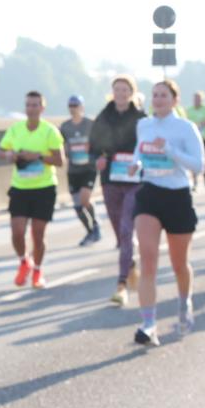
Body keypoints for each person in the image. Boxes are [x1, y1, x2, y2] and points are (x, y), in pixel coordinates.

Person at [130, 80, 205, 346]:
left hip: (177, 196)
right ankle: (148, 324)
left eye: (164, 95)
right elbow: (140, 150)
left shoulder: (185, 128)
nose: (158, 99)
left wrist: (170, 151)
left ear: (175, 99)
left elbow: (199, 165)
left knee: (178, 264)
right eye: (155, 95)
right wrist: (134, 164)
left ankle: (185, 304)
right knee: (148, 258)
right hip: (150, 192)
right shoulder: (144, 125)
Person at [89, 75, 147, 307]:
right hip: (111, 179)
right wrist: (98, 160)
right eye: (117, 89)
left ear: (132, 93)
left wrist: (140, 161)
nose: (120, 94)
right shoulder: (103, 118)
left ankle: (121, 284)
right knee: (118, 230)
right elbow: (92, 148)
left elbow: (147, 146)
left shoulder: (142, 119)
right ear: (112, 92)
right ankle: (130, 264)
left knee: (126, 229)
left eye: (124, 90)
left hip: (134, 180)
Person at [0, 91, 65, 289]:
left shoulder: (50, 131)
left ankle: (38, 270)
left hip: (44, 188)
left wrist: (38, 156)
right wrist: (11, 154)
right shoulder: (16, 129)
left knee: (38, 234)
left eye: (35, 105)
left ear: (42, 108)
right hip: (20, 187)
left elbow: (60, 161)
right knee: (17, 232)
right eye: (28, 105)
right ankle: (24, 261)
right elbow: (0, 151)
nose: (31, 109)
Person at [60, 94, 101, 246]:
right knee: (77, 205)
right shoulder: (65, 127)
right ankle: (90, 231)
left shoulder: (90, 124)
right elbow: (61, 145)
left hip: (89, 167)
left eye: (76, 105)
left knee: (85, 199)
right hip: (73, 169)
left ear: (82, 107)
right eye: (70, 106)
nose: (73, 109)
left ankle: (95, 224)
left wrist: (92, 149)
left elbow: (100, 141)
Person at [185, 91, 205, 188]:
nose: (197, 101)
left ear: (202, 99)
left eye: (199, 99)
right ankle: (194, 181)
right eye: (195, 99)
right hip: (193, 138)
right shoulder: (188, 110)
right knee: (193, 158)